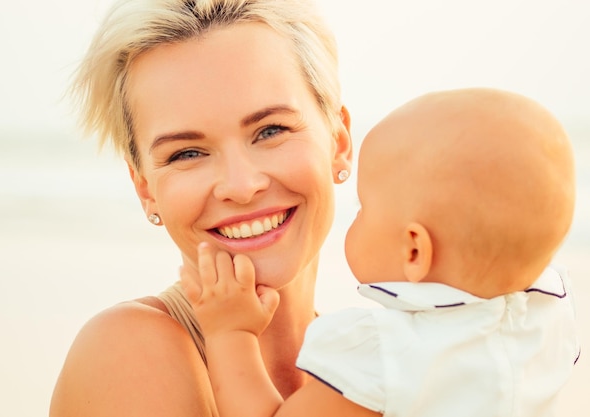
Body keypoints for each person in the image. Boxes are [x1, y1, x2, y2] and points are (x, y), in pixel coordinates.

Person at [181, 87, 581, 417]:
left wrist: (229, 332)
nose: (355, 218)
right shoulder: (549, 320)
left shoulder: (382, 351)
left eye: (363, 208)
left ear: (413, 251)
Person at [49, 1, 353, 416]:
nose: (241, 187)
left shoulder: (368, 362)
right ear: (145, 189)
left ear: (339, 142)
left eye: (270, 130)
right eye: (187, 153)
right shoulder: (128, 347)